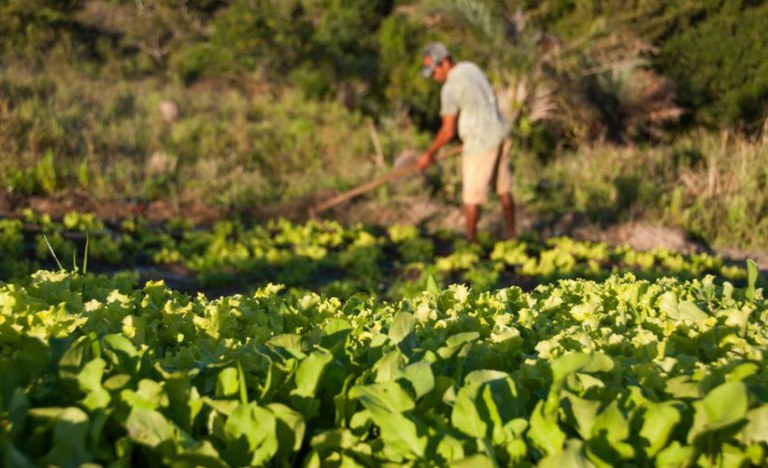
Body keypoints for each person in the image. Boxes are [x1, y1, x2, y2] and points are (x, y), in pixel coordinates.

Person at [417, 42, 516, 243]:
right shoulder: (471, 68)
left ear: (444, 63)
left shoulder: (450, 87)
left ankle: (470, 243)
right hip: (499, 132)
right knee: (503, 190)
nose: (434, 77)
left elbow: (447, 130)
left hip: (480, 143)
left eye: (434, 70)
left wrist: (430, 154)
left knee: (471, 197)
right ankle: (512, 237)